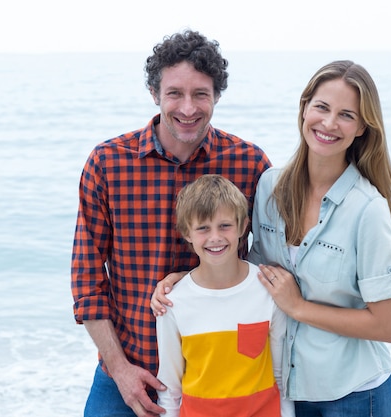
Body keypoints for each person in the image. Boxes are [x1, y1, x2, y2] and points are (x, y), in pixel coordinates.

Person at [152, 60, 391, 416]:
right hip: (286, 392)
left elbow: (388, 325)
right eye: (321, 107)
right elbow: (254, 272)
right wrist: (191, 281)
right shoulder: (270, 187)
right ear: (304, 109)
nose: (329, 123)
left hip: (352, 395)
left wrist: (299, 307)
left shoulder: (368, 211)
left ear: (362, 127)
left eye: (347, 115)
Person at [71, 29, 271, 417]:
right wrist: (120, 370)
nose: (188, 107)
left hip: (222, 375)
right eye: (175, 93)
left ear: (216, 96)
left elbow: (266, 264)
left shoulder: (249, 164)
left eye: (201, 94)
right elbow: (88, 280)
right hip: (131, 372)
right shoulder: (108, 164)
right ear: (154, 93)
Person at [155, 174, 294, 417]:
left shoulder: (268, 290)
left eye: (225, 225)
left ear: (242, 226)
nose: (215, 237)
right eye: (203, 228)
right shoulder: (173, 302)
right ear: (187, 233)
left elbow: (281, 377)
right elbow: (170, 388)